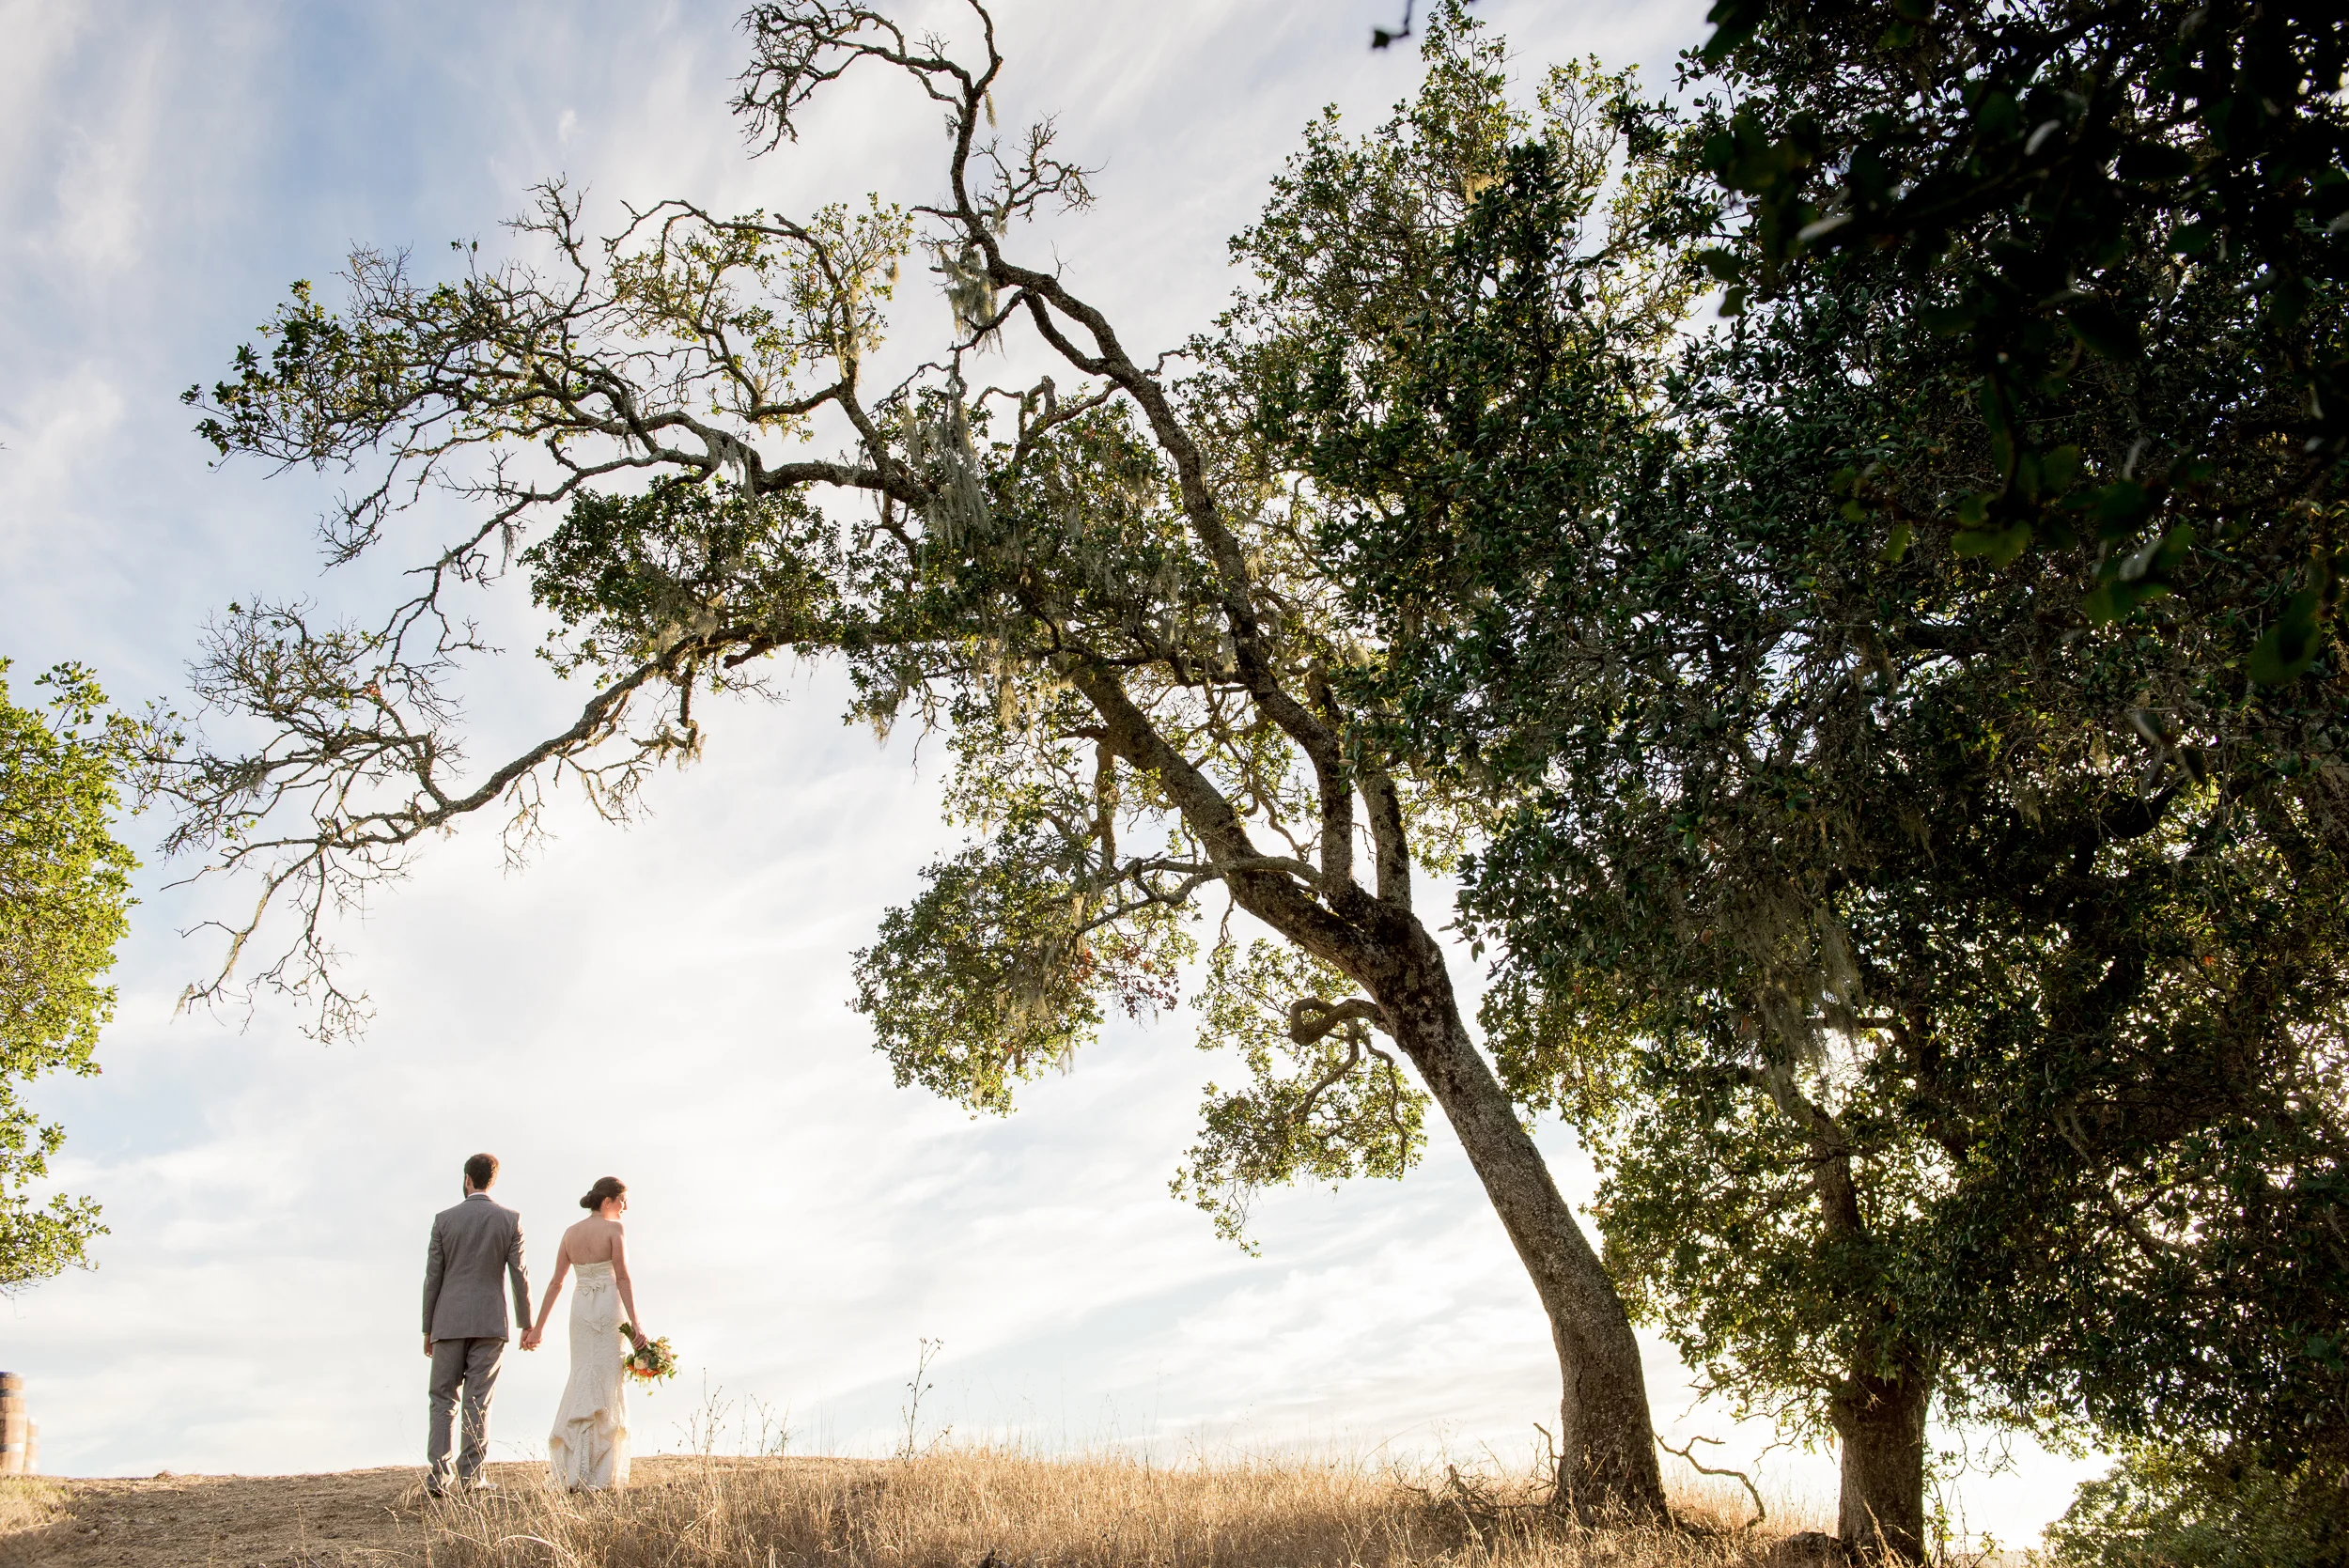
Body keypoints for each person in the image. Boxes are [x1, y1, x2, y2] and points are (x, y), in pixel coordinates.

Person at [525, 1175, 648, 1490]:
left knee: (581, 1375)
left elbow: (556, 1283)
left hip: (580, 1309)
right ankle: (600, 1472)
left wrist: (538, 1328)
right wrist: (636, 1323)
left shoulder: (570, 1233)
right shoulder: (615, 1230)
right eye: (623, 1200)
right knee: (608, 1379)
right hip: (608, 1307)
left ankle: (574, 1468)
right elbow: (622, 1276)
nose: (625, 1207)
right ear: (607, 1200)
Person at [421, 1152, 532, 1497]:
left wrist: (428, 1328)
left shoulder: (443, 1220)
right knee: (478, 1400)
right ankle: (472, 1478)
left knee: (442, 1397)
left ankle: (439, 1477)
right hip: (489, 1323)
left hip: (447, 1322)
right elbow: (520, 1276)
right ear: (492, 1180)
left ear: (468, 1178)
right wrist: (526, 1323)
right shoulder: (510, 1219)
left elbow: (432, 1278)